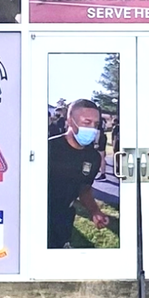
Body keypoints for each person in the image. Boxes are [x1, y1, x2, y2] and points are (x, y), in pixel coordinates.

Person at [47, 97, 111, 247]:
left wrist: (95, 211)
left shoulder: (93, 157)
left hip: (63, 219)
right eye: (86, 122)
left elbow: (84, 188)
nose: (92, 129)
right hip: (37, 219)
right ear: (70, 121)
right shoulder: (48, 149)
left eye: (95, 124)